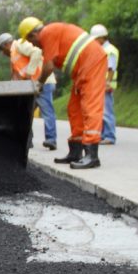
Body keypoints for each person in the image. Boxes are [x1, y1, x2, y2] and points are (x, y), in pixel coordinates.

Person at [18, 17, 107, 169]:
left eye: (30, 41)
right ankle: (76, 151)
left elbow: (48, 66)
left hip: (92, 62)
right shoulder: (50, 34)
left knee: (90, 106)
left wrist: (38, 84)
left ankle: (92, 155)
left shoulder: (48, 33)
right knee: (74, 108)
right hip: (82, 69)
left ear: (33, 35)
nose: (33, 45)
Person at [0, 32, 57, 150]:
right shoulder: (14, 56)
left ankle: (51, 139)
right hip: (31, 86)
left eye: (2, 50)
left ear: (6, 44)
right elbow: (16, 77)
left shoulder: (19, 44)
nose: (3, 53)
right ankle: (28, 140)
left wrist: (30, 73)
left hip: (43, 82)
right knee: (25, 113)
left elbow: (37, 52)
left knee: (47, 111)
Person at [90, 24, 119, 144]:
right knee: (101, 111)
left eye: (95, 39)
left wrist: (107, 83)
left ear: (101, 38)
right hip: (100, 84)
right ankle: (103, 134)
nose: (94, 42)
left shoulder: (110, 50)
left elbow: (111, 68)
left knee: (107, 111)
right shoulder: (103, 49)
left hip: (106, 85)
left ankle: (110, 136)